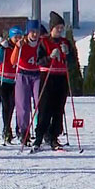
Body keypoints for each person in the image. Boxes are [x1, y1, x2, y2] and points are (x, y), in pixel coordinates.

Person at [32, 11, 75, 151]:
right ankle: (39, 137)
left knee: (58, 109)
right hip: (47, 78)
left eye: (62, 28)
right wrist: (50, 57)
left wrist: (67, 54)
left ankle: (54, 136)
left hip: (61, 77)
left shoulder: (66, 42)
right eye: (58, 28)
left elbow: (73, 62)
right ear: (52, 28)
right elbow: (38, 61)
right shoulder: (44, 42)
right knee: (45, 109)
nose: (60, 31)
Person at [12, 20, 44, 145]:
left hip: (37, 75)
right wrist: (17, 47)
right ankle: (23, 131)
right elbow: (13, 61)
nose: (34, 34)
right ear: (28, 32)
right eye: (32, 32)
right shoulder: (22, 43)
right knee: (23, 106)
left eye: (36, 31)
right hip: (23, 74)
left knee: (40, 102)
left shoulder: (41, 43)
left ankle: (41, 129)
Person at [0, 27, 22, 144]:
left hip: (16, 80)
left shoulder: (20, 47)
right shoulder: (5, 46)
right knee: (6, 106)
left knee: (17, 106)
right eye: (15, 37)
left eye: (19, 37)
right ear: (10, 37)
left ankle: (19, 129)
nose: (17, 39)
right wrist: (1, 47)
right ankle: (6, 129)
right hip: (4, 80)